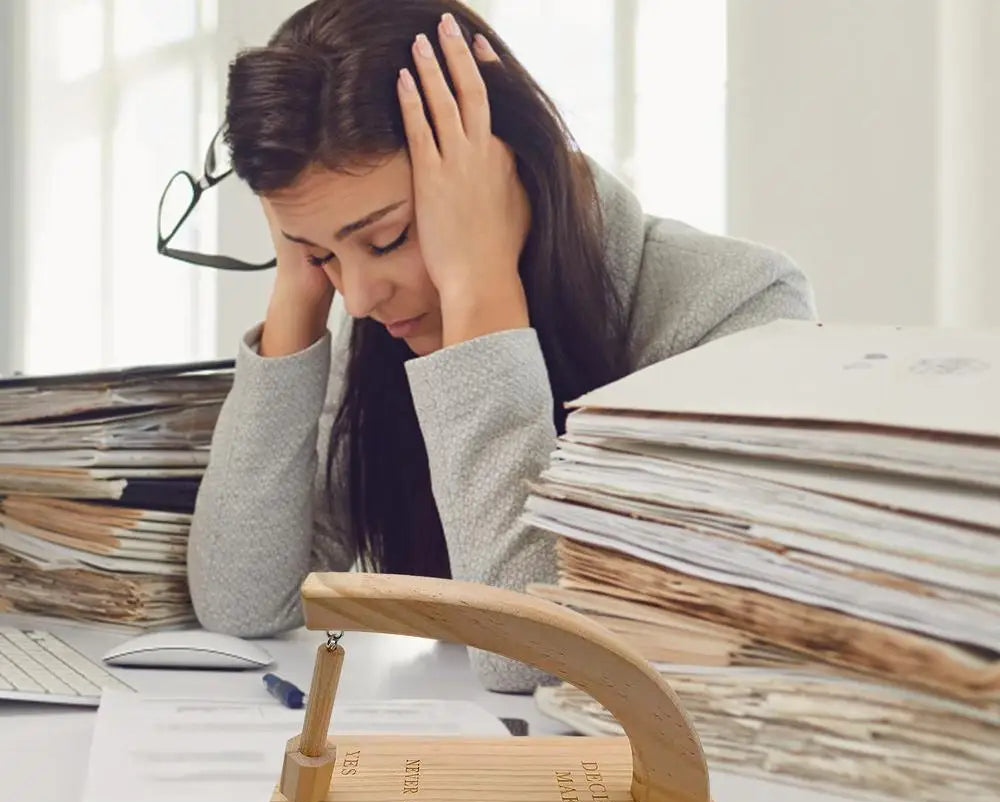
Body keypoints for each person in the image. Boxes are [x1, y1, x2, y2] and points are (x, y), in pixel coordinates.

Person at [184, 0, 816, 693]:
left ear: (503, 166)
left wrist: (478, 288)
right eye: (319, 255)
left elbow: (531, 655)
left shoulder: (739, 308)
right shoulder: (383, 317)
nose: (359, 299)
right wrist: (297, 292)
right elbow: (241, 601)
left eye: (388, 238)